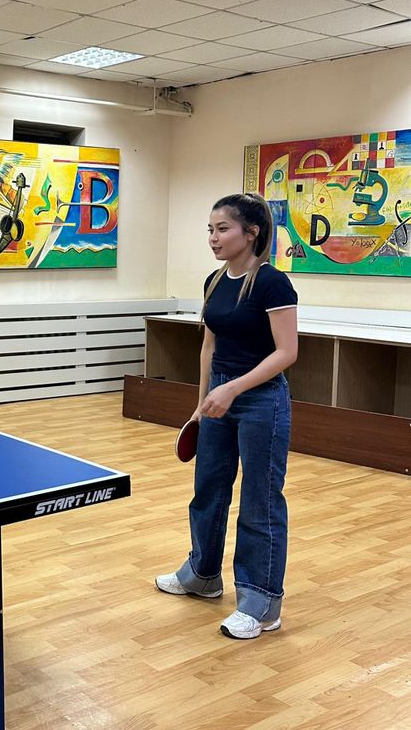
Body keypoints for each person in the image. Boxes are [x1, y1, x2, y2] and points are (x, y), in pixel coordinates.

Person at [155, 192, 298, 640]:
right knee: (208, 490)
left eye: (223, 229)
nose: (213, 238)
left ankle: (262, 602)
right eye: (210, 230)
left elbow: (287, 353)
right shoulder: (215, 282)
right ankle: (202, 574)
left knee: (260, 501)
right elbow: (209, 347)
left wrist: (233, 388)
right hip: (218, 397)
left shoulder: (273, 284)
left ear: (251, 233)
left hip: (261, 400)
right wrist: (200, 404)